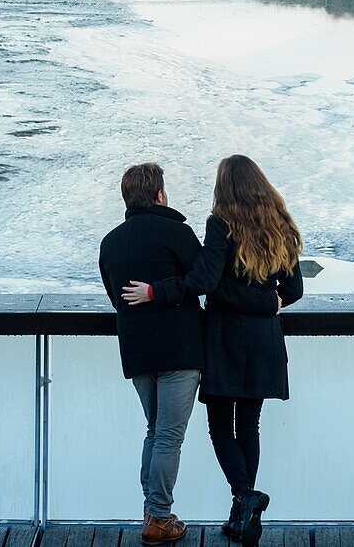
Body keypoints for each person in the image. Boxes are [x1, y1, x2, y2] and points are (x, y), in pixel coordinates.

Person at [122, 155, 303, 547]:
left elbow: (210, 283)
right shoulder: (281, 224)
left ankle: (244, 499)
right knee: (249, 426)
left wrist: (156, 291)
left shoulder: (220, 223)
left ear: (225, 186)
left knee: (221, 426)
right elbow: (292, 292)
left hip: (224, 338)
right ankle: (242, 517)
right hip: (265, 340)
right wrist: (266, 305)